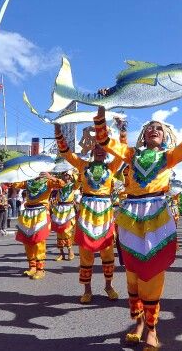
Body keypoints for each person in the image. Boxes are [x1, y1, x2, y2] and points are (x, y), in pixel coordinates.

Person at [93, 81, 182, 349]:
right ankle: (138, 321)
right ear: (142, 136)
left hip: (157, 214)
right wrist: (102, 106)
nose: (154, 129)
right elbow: (104, 139)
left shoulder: (169, 157)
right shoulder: (130, 155)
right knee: (132, 273)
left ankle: (153, 328)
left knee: (153, 273)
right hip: (130, 216)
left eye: (159, 128)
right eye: (149, 128)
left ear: (165, 137)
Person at [55, 123, 126, 304]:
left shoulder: (112, 167)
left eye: (103, 147)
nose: (100, 150)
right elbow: (67, 154)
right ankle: (87, 289)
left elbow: (122, 151)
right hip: (87, 211)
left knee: (107, 252)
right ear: (92, 149)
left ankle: (108, 286)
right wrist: (58, 135)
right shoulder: (82, 165)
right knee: (86, 252)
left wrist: (122, 131)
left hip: (105, 212)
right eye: (96, 147)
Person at [51, 171, 78, 261]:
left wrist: (73, 172)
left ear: (70, 176)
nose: (65, 175)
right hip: (59, 208)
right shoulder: (59, 184)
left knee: (67, 231)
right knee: (59, 231)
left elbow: (78, 181)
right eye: (64, 174)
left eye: (67, 174)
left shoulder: (73, 185)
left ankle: (70, 250)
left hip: (68, 208)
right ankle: (61, 253)